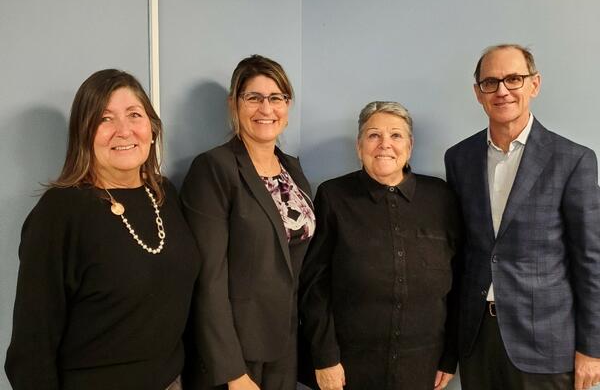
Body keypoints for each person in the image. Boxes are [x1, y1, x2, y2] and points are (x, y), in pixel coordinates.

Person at [4, 69, 199, 390]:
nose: (124, 131)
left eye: (134, 115)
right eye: (105, 119)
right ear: (84, 133)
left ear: (151, 129)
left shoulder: (165, 194)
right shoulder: (59, 211)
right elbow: (31, 344)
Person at [444, 44, 600, 390]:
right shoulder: (459, 158)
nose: (502, 90)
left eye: (513, 79)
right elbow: (462, 252)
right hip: (477, 339)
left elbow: (590, 260)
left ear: (534, 84)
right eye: (490, 82)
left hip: (545, 343)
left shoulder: (573, 160)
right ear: (478, 93)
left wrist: (592, 348)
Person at [299, 101, 460, 390]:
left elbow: (458, 278)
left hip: (422, 365)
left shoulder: (441, 197)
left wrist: (449, 356)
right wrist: (324, 358)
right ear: (359, 146)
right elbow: (315, 286)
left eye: (396, 135)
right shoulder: (333, 196)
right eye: (373, 135)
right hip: (349, 367)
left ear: (409, 146)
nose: (385, 144)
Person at [180, 55, 316, 390]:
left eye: (276, 98)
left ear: (288, 104)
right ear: (234, 104)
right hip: (237, 351)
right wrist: (232, 372)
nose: (265, 109)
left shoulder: (292, 169)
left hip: (284, 343)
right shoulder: (214, 168)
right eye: (253, 97)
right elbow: (208, 278)